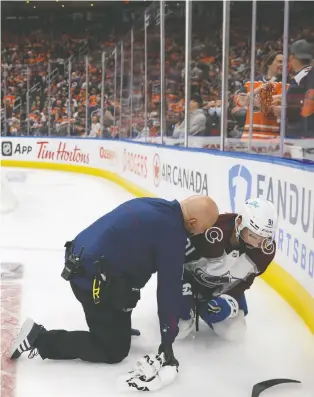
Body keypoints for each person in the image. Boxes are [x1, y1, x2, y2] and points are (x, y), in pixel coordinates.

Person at [9, 195, 219, 391]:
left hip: (81, 261)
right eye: (204, 228)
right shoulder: (172, 234)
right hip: (90, 282)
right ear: (192, 222)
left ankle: (115, 320)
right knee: (113, 350)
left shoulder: (153, 204)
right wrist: (167, 340)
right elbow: (168, 290)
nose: (203, 233)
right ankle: (38, 338)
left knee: (129, 285)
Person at [177, 197, 278, 342]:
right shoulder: (210, 227)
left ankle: (206, 307)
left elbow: (244, 280)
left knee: (235, 333)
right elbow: (174, 259)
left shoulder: (264, 251)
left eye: (263, 239)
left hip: (217, 289)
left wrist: (229, 299)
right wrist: (180, 288)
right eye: (253, 235)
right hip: (188, 281)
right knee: (179, 329)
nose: (257, 244)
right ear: (239, 222)